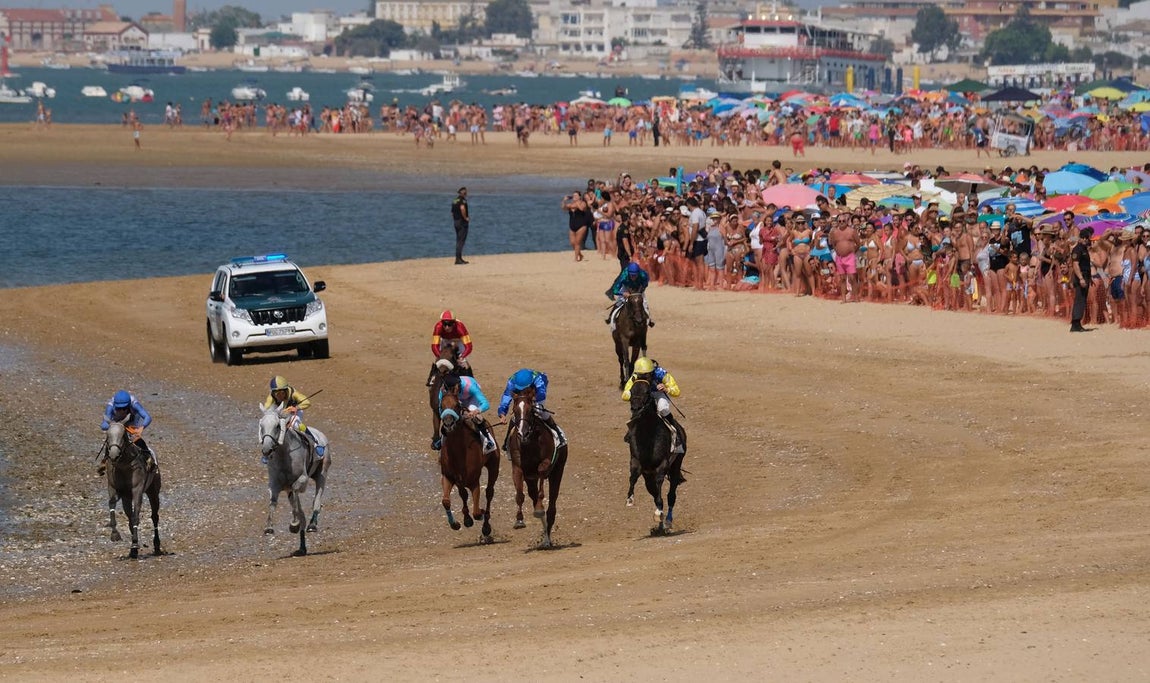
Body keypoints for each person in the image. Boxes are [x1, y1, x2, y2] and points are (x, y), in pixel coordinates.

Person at [621, 357, 685, 454]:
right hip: (645, 394)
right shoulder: (635, 375)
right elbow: (625, 394)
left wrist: (666, 389)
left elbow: (677, 391)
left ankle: (676, 437)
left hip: (658, 393)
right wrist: (630, 394)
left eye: (645, 375)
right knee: (638, 407)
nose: (641, 377)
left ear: (652, 372)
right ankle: (631, 432)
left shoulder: (661, 373)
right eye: (640, 375)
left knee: (663, 408)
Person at [495, 368, 567, 448]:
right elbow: (507, 396)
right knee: (517, 416)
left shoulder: (539, 379)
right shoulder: (512, 381)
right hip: (521, 397)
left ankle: (558, 433)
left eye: (524, 388)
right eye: (519, 388)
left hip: (535, 395)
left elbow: (541, 394)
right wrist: (502, 413)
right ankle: (507, 442)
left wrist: (534, 402)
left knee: (541, 412)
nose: (522, 390)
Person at [262, 376, 327, 462]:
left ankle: (315, 443)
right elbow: (266, 408)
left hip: (294, 412)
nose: (280, 396)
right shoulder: (271, 397)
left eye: (282, 393)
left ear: (285, 391)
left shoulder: (293, 393)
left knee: (296, 424)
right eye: (277, 394)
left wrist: (296, 407)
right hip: (280, 413)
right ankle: (267, 452)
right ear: (273, 393)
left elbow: (307, 403)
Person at [436, 373, 498, 454]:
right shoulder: (443, 390)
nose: (451, 391)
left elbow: (485, 404)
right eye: (449, 389)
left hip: (470, 398)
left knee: (477, 418)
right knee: (448, 418)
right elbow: (441, 408)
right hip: (456, 400)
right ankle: (441, 440)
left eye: (454, 388)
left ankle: (487, 439)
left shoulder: (470, 386)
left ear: (458, 385)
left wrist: (475, 412)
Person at [99, 390, 157, 474]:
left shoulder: (134, 404)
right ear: (115, 406)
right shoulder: (110, 407)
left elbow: (147, 417)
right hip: (117, 422)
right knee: (113, 437)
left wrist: (141, 428)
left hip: (132, 420)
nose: (122, 411)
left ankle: (148, 457)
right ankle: (105, 461)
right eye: (119, 408)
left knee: (135, 438)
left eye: (124, 408)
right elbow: (104, 425)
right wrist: (114, 426)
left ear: (129, 405)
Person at [605, 261, 655, 328]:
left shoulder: (643, 274)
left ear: (638, 273)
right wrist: (623, 293)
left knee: (644, 303)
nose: (633, 277)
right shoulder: (624, 276)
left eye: (635, 275)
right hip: (626, 287)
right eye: (631, 275)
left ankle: (649, 320)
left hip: (638, 288)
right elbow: (615, 290)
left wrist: (640, 290)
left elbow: (646, 283)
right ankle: (610, 317)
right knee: (619, 302)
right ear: (628, 273)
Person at [1070, 227, 1093, 332]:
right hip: (1081, 276)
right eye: (1083, 238)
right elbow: (1075, 264)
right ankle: (1075, 323)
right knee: (1079, 299)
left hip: (1086, 276)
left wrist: (1089, 278)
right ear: (1080, 238)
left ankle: (1077, 323)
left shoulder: (1084, 249)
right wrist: (1081, 278)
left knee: (1082, 300)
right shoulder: (1077, 249)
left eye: (1086, 238)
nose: (1085, 240)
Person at [451, 186, 469, 265]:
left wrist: (455, 219)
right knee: (461, 241)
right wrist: (465, 218)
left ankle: (459, 258)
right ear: (463, 193)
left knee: (458, 240)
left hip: (456, 222)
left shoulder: (455, 200)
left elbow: (452, 213)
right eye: (465, 192)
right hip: (462, 222)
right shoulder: (462, 200)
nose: (466, 194)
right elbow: (462, 209)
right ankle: (458, 259)